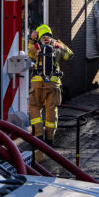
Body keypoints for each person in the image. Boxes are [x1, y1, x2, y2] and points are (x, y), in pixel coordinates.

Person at [28, 24, 73, 156]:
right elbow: (69, 55)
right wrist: (59, 44)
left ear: (39, 34)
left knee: (34, 107)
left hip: (37, 84)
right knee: (51, 110)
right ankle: (50, 139)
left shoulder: (36, 46)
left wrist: (31, 40)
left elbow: (28, 55)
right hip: (53, 84)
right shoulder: (57, 45)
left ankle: (38, 137)